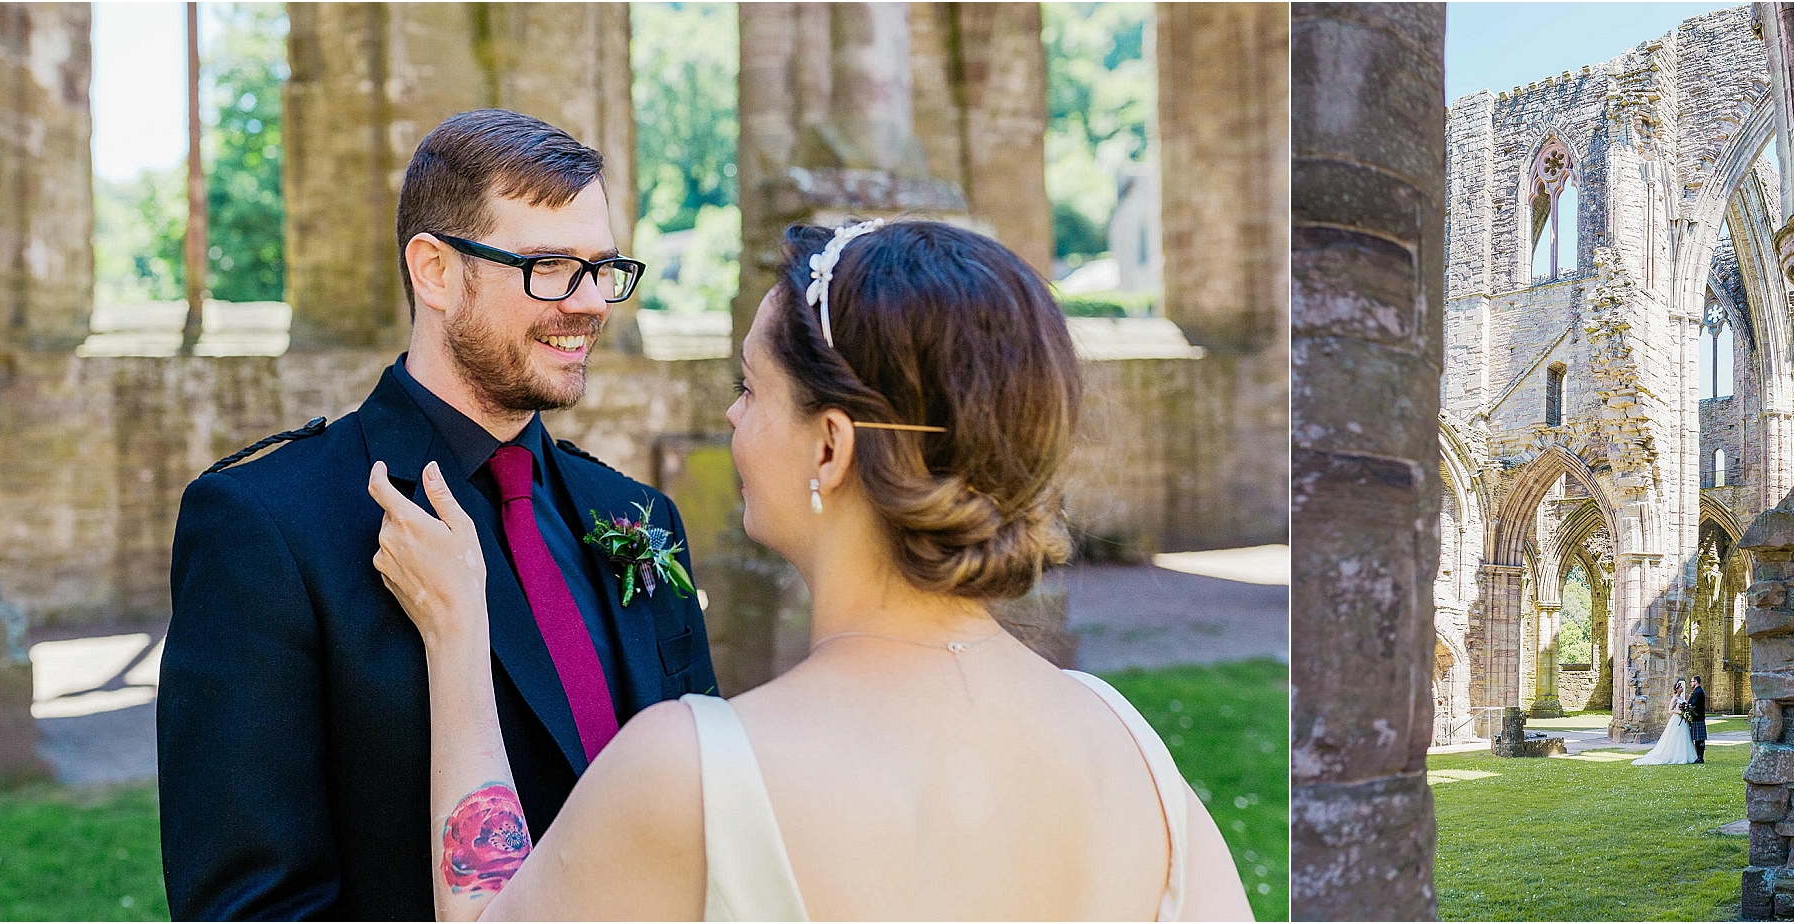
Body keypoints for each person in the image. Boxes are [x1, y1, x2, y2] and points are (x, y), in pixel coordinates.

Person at [367, 219, 1256, 920]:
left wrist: (458, 637)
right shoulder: (1135, 757)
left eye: (750, 389)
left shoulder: (693, 773)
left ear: (829, 448)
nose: (732, 416)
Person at [157, 109, 718, 920]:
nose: (593, 302)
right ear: (436, 272)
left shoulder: (636, 512)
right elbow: (250, 906)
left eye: (603, 269)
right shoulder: (268, 525)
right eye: (552, 268)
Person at [1631, 680, 1698, 766]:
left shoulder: (1681, 698)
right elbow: (1670, 710)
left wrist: (1686, 711)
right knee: (1675, 736)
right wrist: (1680, 712)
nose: (1682, 688)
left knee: (1684, 736)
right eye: (1681, 687)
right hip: (1677, 719)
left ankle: (1684, 755)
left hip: (1683, 720)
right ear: (1677, 689)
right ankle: (1674, 755)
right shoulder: (1675, 698)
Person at [1687, 674, 1709, 763]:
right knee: (1698, 738)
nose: (1691, 683)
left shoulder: (1698, 692)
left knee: (1699, 739)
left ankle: (1700, 757)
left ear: (1696, 682)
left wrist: (1687, 707)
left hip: (1697, 717)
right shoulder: (1697, 691)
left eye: (1692, 681)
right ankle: (1699, 757)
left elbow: (1693, 704)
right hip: (1697, 717)